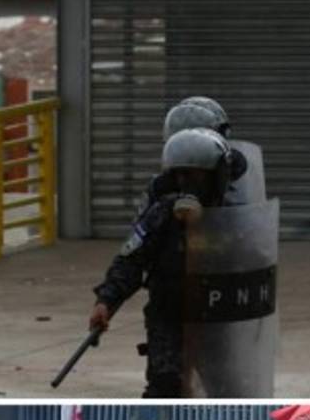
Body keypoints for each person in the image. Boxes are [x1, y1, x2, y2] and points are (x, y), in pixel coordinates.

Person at [89, 127, 234, 397]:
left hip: (219, 320)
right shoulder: (162, 213)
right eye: (179, 174)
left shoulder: (232, 215)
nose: (186, 182)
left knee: (230, 391)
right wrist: (105, 301)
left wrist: (204, 231)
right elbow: (132, 259)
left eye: (194, 176)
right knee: (165, 386)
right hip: (169, 313)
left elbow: (249, 260)